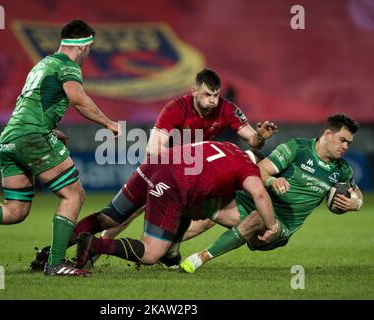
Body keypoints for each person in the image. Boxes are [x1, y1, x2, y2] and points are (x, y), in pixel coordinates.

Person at [29, 68, 278, 269]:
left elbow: (252, 140)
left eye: (215, 96)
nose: (212, 101)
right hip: (166, 169)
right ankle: (94, 248)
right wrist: (167, 183)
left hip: (196, 175)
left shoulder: (227, 109)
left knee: (203, 218)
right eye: (206, 95)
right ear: (193, 92)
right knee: (128, 214)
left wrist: (261, 136)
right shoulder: (176, 109)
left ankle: (165, 250)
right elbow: (153, 148)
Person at [0, 20, 120, 277]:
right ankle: (55, 263)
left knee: (15, 209)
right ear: (84, 46)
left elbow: (28, 104)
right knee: (74, 194)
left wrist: (49, 129)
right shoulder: (67, 66)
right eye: (90, 47)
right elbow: (78, 99)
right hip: (31, 136)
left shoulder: (42, 65)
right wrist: (109, 123)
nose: (89, 53)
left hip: (10, 137)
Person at [179, 113, 364, 273]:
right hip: (251, 202)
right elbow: (259, 171)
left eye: (349, 142)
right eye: (343, 140)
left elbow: (356, 193)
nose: (346, 146)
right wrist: (272, 180)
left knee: (258, 217)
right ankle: (165, 249)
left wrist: (356, 204)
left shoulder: (342, 170)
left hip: (279, 226)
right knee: (205, 205)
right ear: (328, 134)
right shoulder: (297, 149)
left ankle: (199, 259)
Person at [73, 141, 278, 268]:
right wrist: (272, 226)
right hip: (172, 183)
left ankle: (51, 253)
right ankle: (95, 244)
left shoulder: (226, 146)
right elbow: (259, 194)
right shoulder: (248, 168)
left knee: (108, 217)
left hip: (153, 165)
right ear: (258, 164)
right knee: (150, 253)